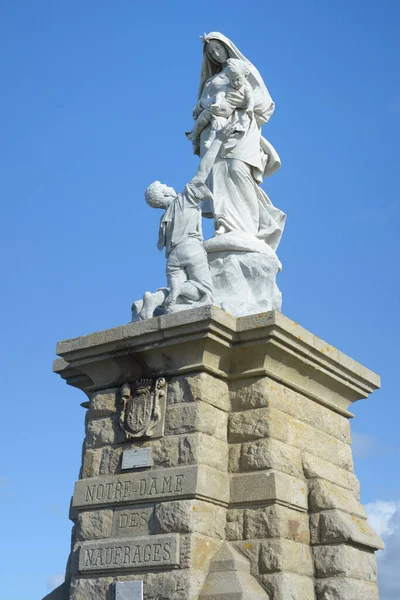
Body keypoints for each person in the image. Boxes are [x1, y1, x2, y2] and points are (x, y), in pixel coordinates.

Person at [191, 32, 286, 252]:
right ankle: (224, 224)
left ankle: (251, 226)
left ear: (227, 46)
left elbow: (265, 104)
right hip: (214, 131)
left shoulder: (246, 69)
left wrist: (238, 103)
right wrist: (208, 104)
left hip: (242, 127)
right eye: (211, 52)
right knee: (219, 175)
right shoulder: (210, 81)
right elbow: (198, 107)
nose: (216, 53)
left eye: (218, 48)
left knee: (238, 169)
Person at [139, 176, 213, 318]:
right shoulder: (183, 200)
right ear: (165, 194)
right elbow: (202, 175)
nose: (170, 186)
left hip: (173, 256)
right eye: (165, 185)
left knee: (178, 296)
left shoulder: (164, 218)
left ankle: (154, 299)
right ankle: (179, 288)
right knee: (205, 290)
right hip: (191, 249)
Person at [186, 58, 254, 151]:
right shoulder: (222, 85)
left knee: (216, 125)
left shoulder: (246, 88)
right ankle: (194, 132)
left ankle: (209, 140)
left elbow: (251, 99)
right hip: (216, 107)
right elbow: (220, 94)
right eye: (232, 80)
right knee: (204, 118)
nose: (235, 83)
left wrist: (249, 107)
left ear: (245, 76)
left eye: (238, 79)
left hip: (228, 113)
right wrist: (214, 103)